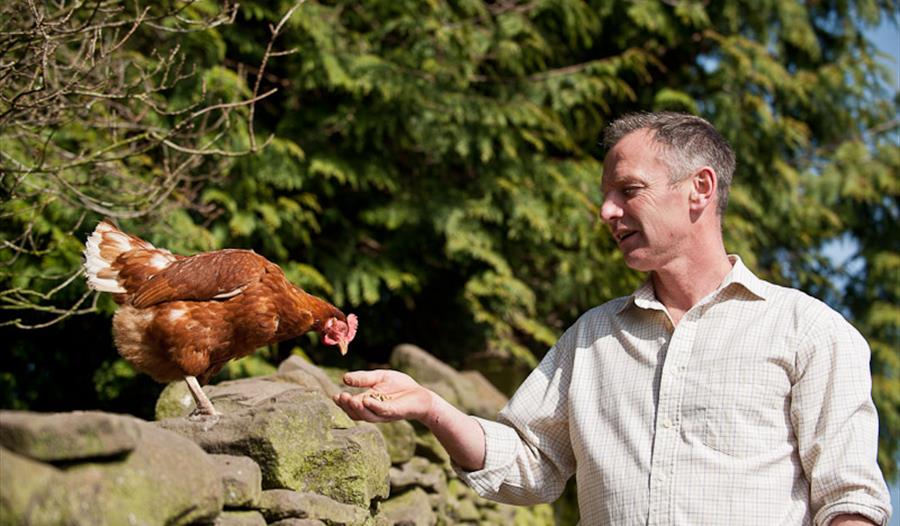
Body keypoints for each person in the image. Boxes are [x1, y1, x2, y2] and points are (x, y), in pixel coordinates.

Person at [333, 112, 892, 525]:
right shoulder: (591, 336)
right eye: (606, 196)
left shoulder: (808, 330)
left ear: (700, 188)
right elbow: (531, 464)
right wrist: (431, 407)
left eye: (629, 191)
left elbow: (849, 501)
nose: (606, 212)